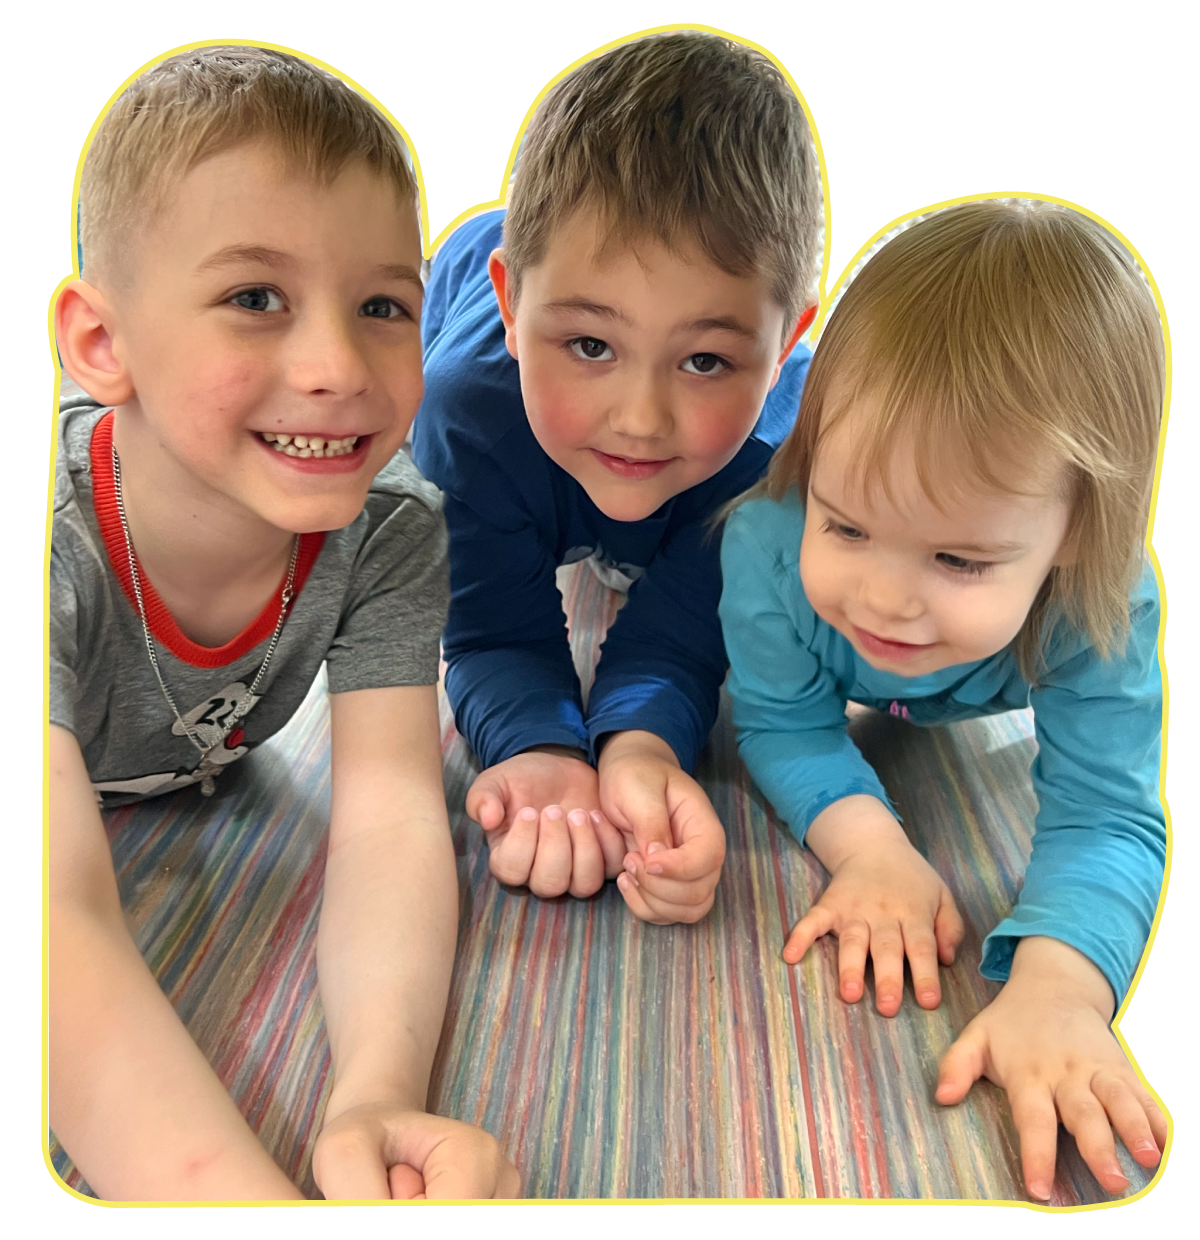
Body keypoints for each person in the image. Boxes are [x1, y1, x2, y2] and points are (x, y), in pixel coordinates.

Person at [47, 45, 518, 1201]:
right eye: (255, 298)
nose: (336, 365)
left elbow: (390, 815)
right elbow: (60, 919)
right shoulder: (63, 550)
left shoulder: (389, 527)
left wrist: (375, 1092)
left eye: (382, 305)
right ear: (103, 345)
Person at [718, 199, 1169, 1199]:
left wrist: (1061, 985)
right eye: (847, 526)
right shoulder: (767, 545)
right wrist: (872, 848)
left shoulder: (1102, 600)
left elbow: (1108, 812)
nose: (884, 599)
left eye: (959, 559)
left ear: (1075, 535)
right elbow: (783, 721)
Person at [413, 32, 822, 920]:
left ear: (786, 342)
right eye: (590, 345)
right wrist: (542, 749)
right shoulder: (465, 416)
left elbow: (677, 642)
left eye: (706, 360)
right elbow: (490, 632)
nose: (640, 419)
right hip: (469, 285)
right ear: (512, 308)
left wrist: (641, 748)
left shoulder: (780, 458)